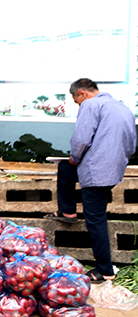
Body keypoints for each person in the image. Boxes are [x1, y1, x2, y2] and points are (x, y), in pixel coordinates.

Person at [44, 78, 136, 283]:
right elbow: (131, 147)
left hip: (97, 171)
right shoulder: (123, 109)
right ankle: (67, 209)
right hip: (113, 170)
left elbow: (82, 139)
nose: (78, 104)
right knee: (65, 169)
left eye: (76, 101)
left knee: (95, 219)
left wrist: (75, 157)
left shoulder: (90, 104)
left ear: (82, 94)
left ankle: (105, 269)